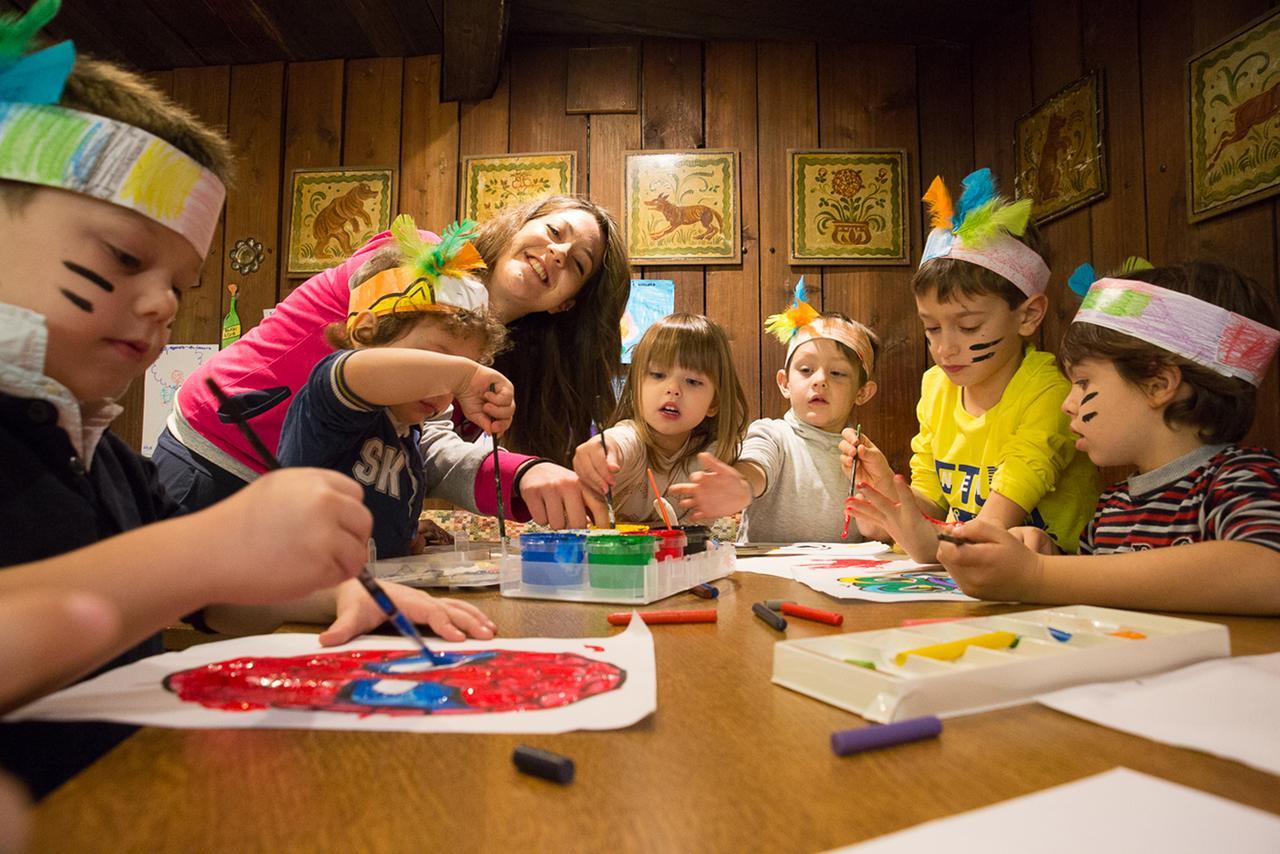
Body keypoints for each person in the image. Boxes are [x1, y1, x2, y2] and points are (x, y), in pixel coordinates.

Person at [0, 20, 385, 796]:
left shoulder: (101, 455)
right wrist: (214, 545)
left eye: (181, 283)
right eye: (125, 258)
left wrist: (339, 590)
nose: (161, 303)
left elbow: (208, 599)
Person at [153, 196, 630, 527]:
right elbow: (363, 373)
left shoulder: (486, 364)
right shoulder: (420, 258)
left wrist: (393, 526)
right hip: (216, 453)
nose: (558, 251)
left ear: (566, 305)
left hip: (296, 507)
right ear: (517, 226)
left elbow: (419, 449)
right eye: (552, 231)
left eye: (579, 263)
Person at [938, 262, 1280, 615]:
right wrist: (1046, 555)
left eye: (1084, 382)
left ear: (1158, 385)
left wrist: (1039, 574)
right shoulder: (1114, 506)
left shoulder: (1241, 477)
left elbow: (1269, 568)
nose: (1068, 404)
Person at [842, 168, 1098, 561]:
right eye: (931, 328)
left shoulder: (1050, 392)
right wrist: (885, 494)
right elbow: (932, 507)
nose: (944, 349)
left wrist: (906, 526)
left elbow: (987, 529)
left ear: (1029, 315)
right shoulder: (936, 387)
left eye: (968, 326)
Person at [277, 216, 514, 559]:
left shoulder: (408, 436)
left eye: (461, 368)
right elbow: (359, 373)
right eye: (437, 361)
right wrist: (464, 377)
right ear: (364, 333)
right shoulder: (332, 402)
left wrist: (402, 536)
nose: (445, 385)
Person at [668, 281, 881, 542]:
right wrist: (741, 486)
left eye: (837, 373)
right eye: (806, 370)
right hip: (771, 577)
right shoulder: (772, 434)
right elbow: (756, 467)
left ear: (862, 392)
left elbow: (875, 527)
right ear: (784, 383)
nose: (820, 380)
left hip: (842, 577)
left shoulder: (862, 454)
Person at [573, 313, 748, 525]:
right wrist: (604, 449)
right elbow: (620, 442)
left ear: (714, 403)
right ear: (635, 385)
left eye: (692, 381)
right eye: (657, 375)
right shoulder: (632, 438)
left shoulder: (714, 456)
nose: (673, 390)